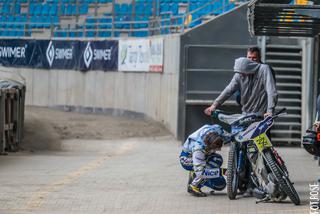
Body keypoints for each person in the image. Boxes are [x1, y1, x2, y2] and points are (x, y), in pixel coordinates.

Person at [179, 124, 228, 197]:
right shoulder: (198, 149)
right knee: (218, 184)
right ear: (208, 145)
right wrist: (222, 171)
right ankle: (194, 186)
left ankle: (196, 174)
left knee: (218, 161)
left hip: (202, 156)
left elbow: (228, 135)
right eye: (214, 148)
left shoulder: (217, 130)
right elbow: (201, 173)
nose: (219, 150)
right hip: (187, 159)